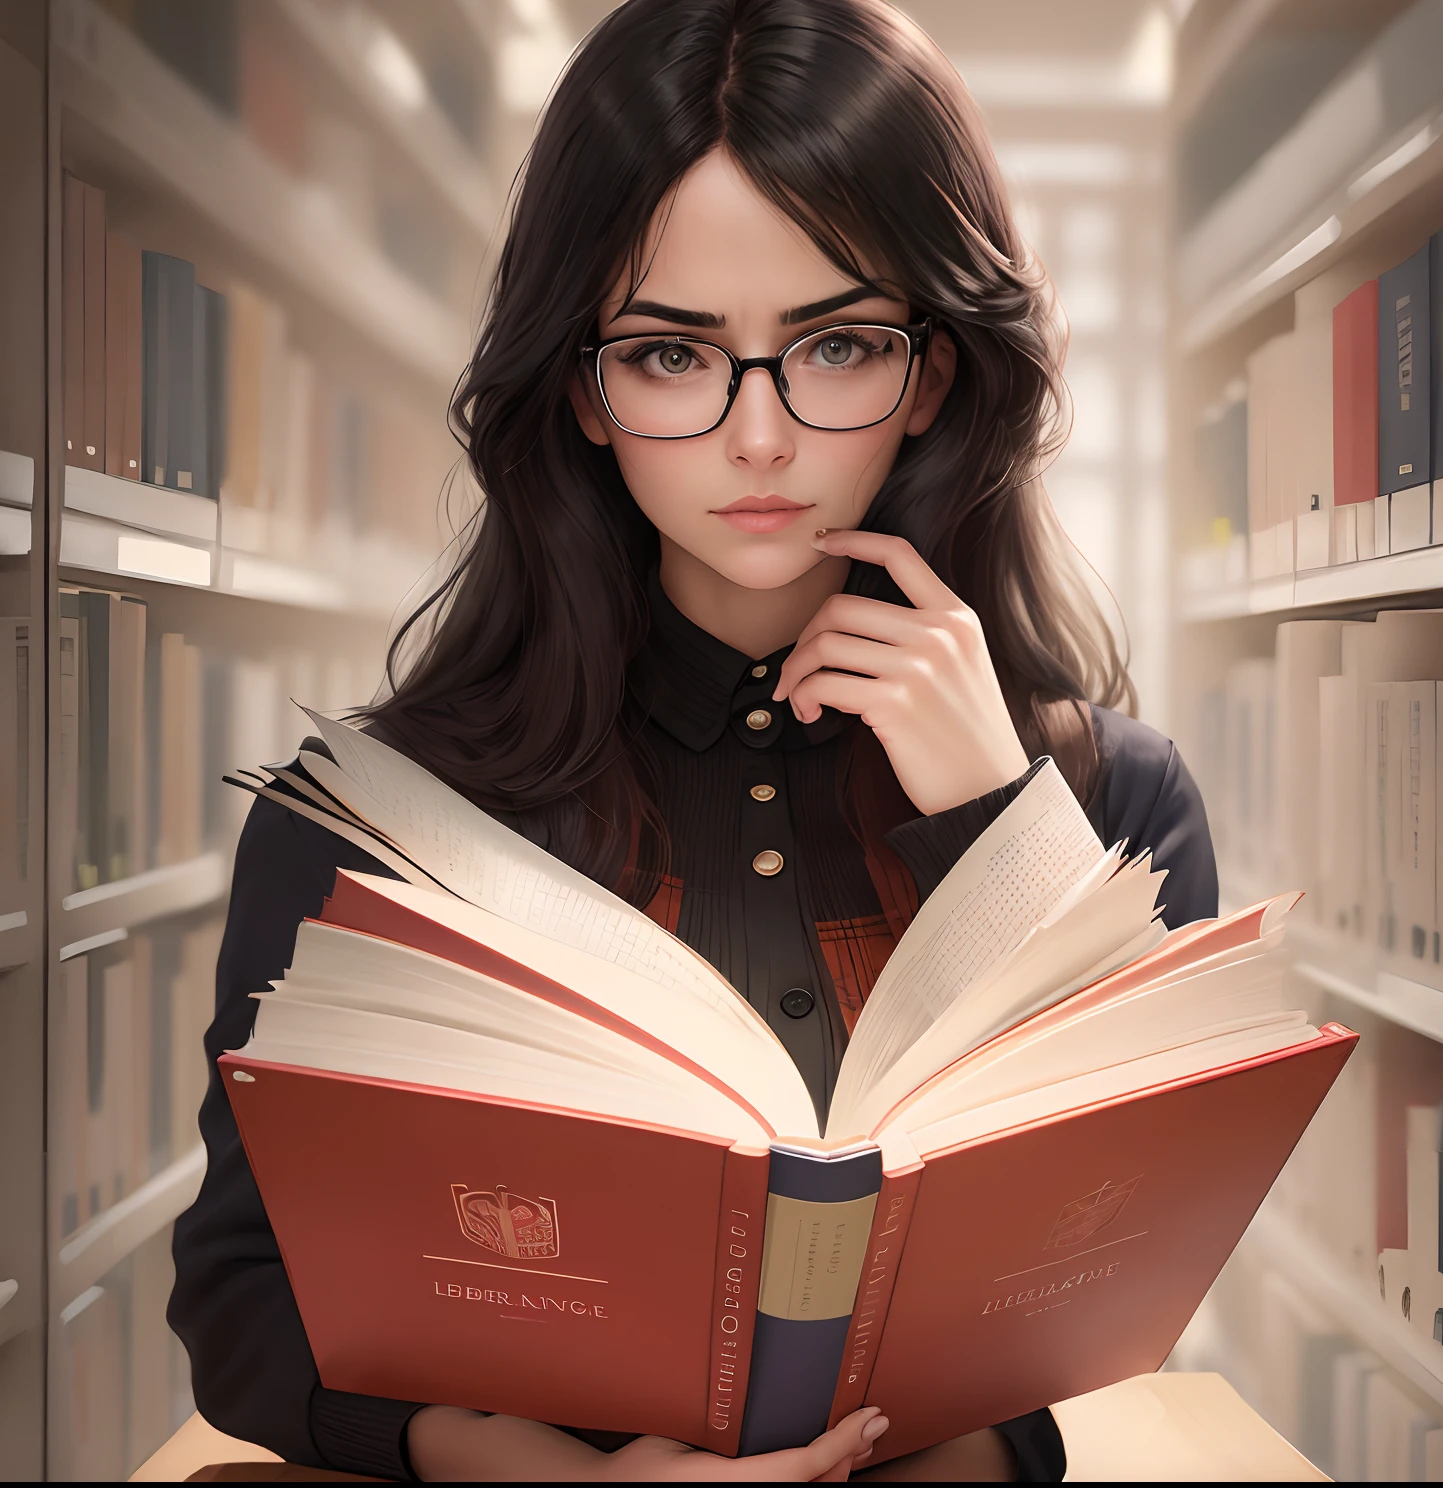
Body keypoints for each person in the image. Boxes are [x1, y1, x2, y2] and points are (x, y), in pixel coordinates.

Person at [169, 0, 1218, 1479]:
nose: (760, 438)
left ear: (932, 375)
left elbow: (1118, 1266)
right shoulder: (366, 822)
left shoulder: (1118, 802)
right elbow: (238, 1303)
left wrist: (997, 823)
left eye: (837, 344)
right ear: (583, 389)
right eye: (672, 355)